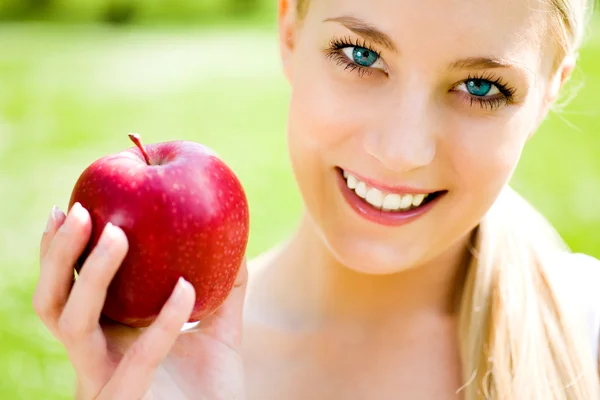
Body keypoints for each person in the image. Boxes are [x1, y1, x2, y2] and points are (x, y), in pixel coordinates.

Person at [33, 0, 600, 398]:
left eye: (481, 87)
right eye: (360, 55)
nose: (402, 151)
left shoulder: (586, 339)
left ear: (548, 93)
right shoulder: (164, 362)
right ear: (289, 32)